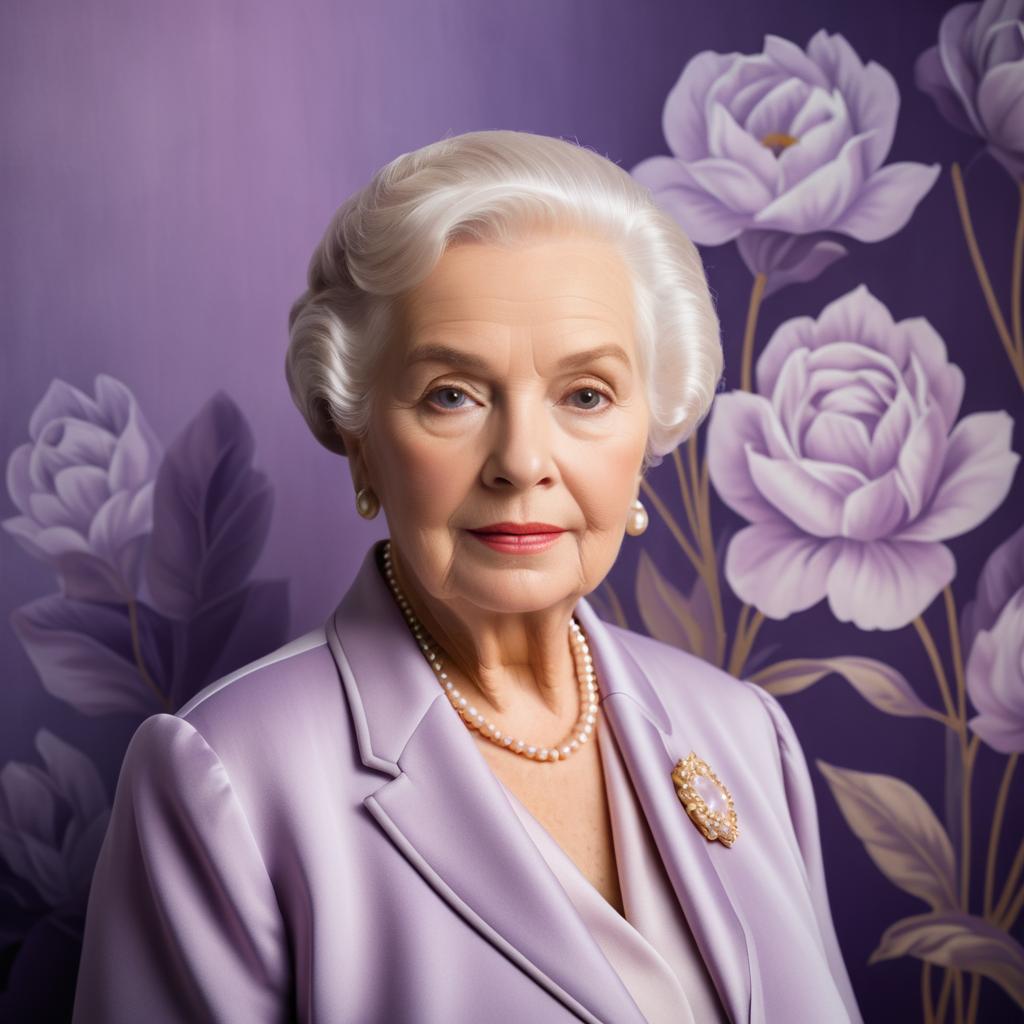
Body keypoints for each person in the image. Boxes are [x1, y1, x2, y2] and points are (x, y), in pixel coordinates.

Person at [72, 129, 863, 1023]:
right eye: (453, 393)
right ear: (361, 440)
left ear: (652, 432)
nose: (522, 461)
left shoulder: (745, 733)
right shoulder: (224, 778)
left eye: (587, 395)